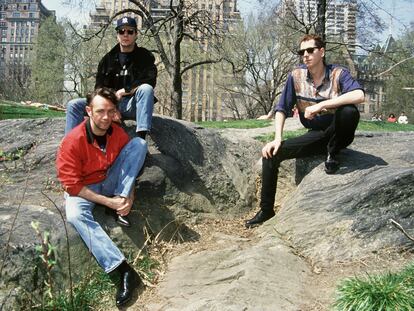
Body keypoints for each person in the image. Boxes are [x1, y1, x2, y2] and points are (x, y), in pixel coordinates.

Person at [245, 34, 365, 228]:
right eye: (302, 52)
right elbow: (282, 108)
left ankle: (332, 153)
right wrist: (277, 138)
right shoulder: (296, 76)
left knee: (349, 111)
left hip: (338, 133)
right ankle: (266, 211)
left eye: (310, 50)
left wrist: (322, 105)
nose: (306, 55)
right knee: (270, 154)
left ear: (322, 52)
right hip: (316, 135)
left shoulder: (338, 74)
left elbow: (359, 95)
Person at [56, 88, 147, 306]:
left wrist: (128, 197)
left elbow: (129, 168)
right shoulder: (72, 141)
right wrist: (108, 202)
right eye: (99, 111)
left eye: (110, 111)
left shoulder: (117, 133)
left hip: (109, 179)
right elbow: (72, 186)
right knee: (75, 214)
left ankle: (121, 203)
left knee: (139, 144)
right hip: (85, 186)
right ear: (88, 111)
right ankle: (123, 270)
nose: (105, 117)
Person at [65, 16, 157, 139]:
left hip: (133, 104)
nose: (125, 35)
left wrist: (125, 91)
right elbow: (99, 88)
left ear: (136, 34)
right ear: (117, 35)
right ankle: (70, 144)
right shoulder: (107, 59)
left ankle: (141, 138)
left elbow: (150, 79)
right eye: (121, 31)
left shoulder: (145, 56)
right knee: (73, 105)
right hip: (109, 104)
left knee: (146, 89)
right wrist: (112, 108)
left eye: (130, 31)